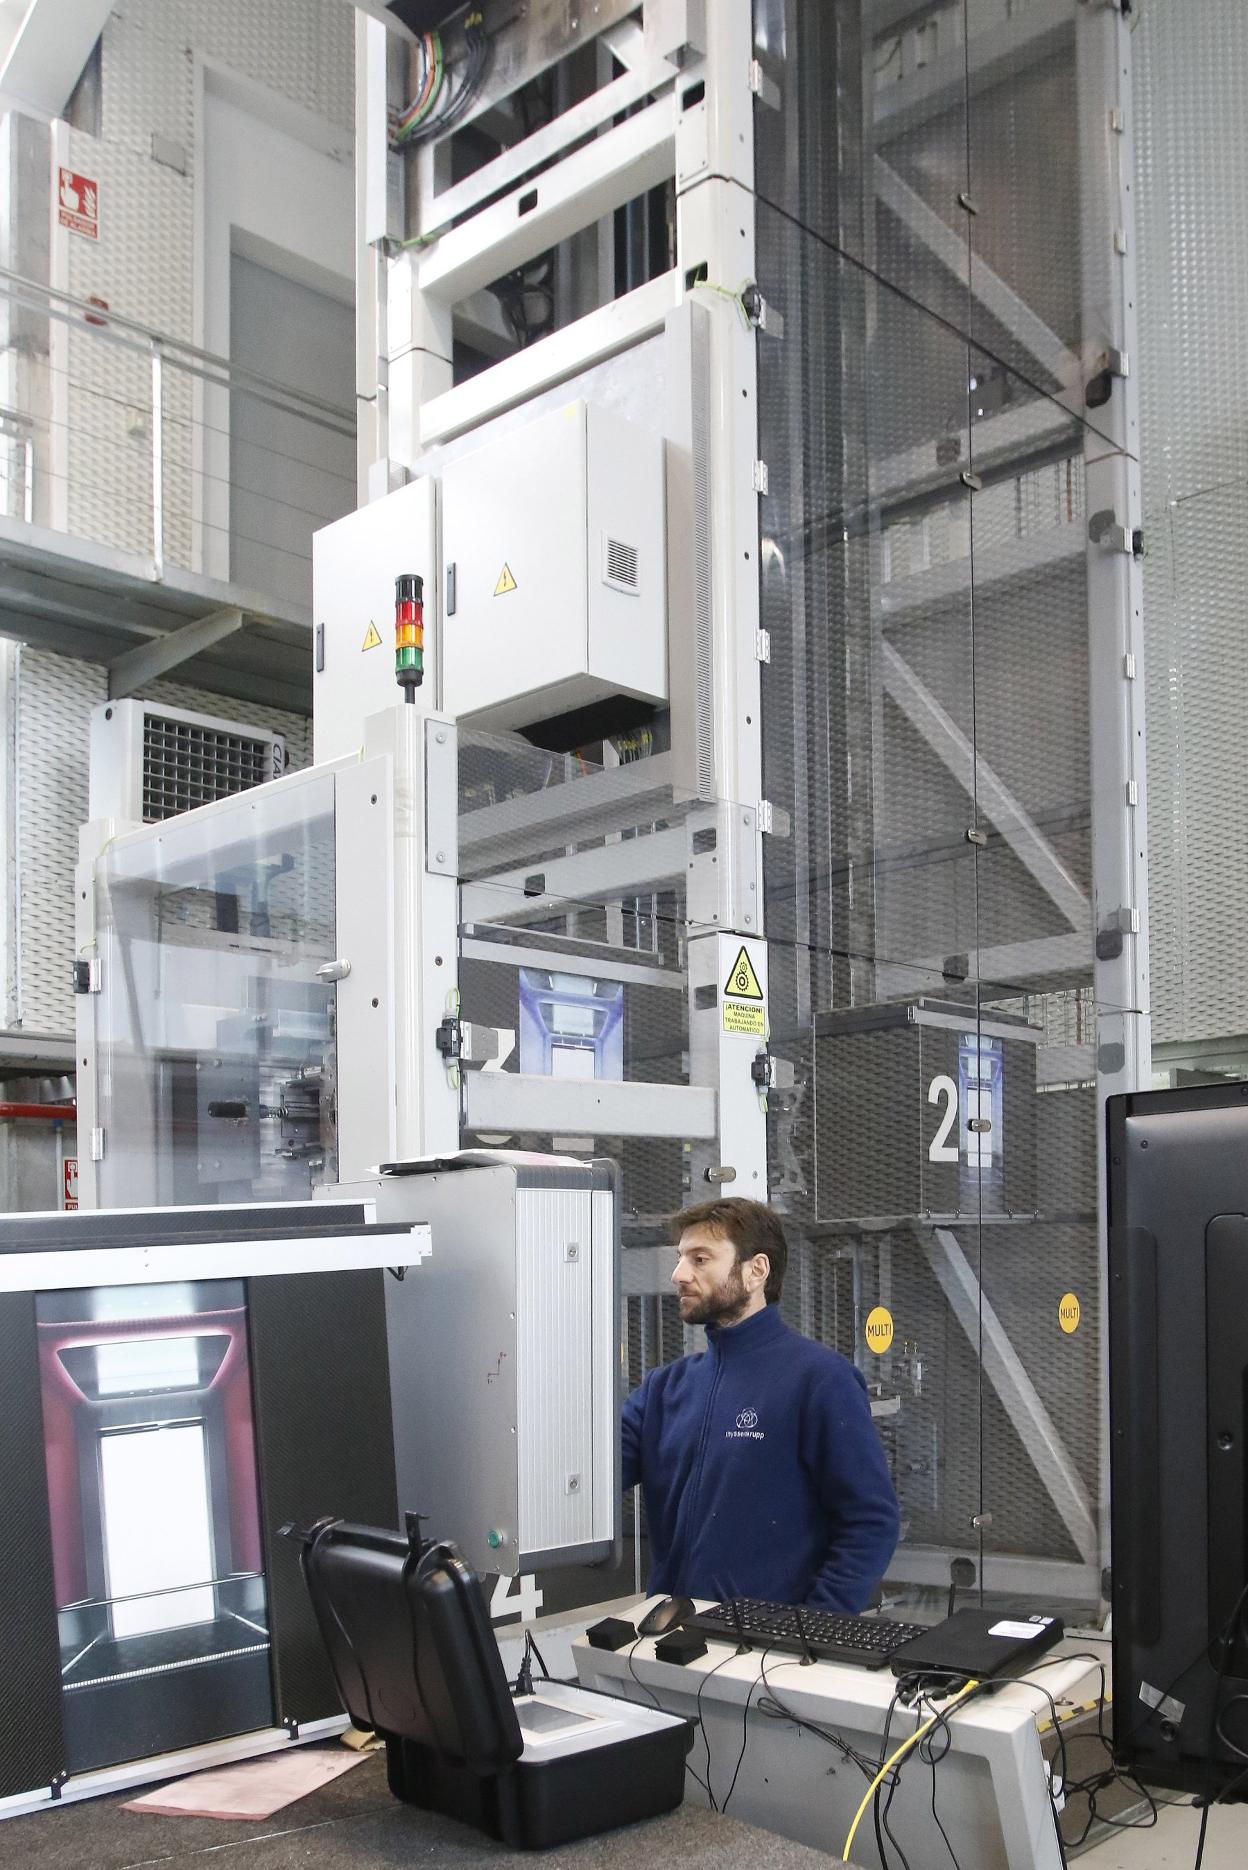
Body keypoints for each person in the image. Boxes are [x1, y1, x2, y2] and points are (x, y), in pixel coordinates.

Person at [621, 1198, 900, 1611]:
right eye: (681, 1258)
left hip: (767, 1654)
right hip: (672, 1640)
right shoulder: (664, 1388)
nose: (679, 1275)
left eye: (700, 1259)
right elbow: (590, 1476)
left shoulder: (819, 1379)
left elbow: (871, 1523)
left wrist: (811, 1629)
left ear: (756, 1271)